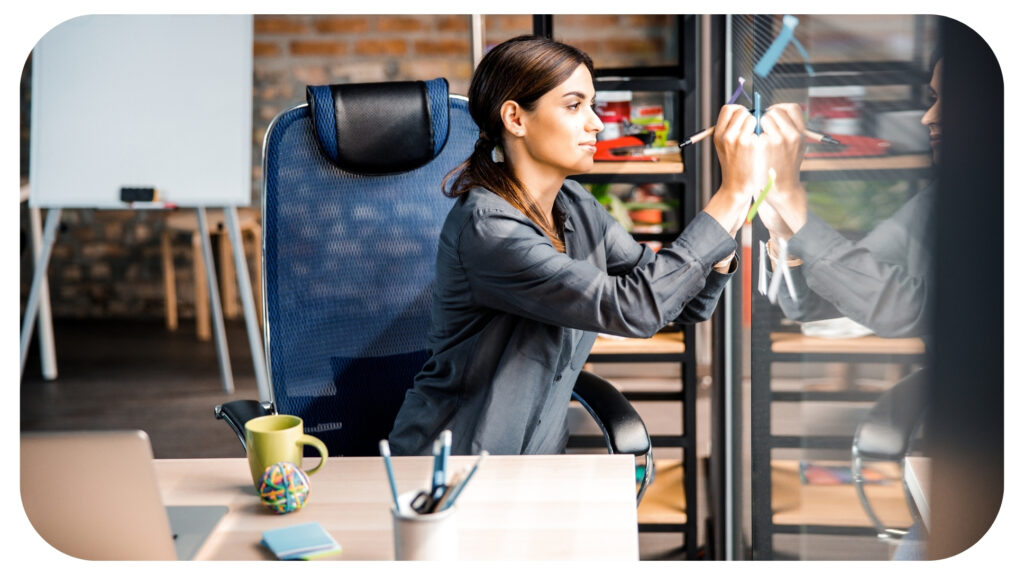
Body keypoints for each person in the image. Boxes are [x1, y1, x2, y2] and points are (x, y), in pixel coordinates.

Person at [388, 35, 788, 456]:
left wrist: (723, 240)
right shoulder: (490, 230)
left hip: (536, 466)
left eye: (592, 105)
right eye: (574, 106)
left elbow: (682, 304)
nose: (596, 123)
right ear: (515, 118)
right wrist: (731, 193)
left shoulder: (574, 205)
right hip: (455, 468)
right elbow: (636, 309)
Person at [754, 55, 941, 338]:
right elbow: (808, 304)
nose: (928, 117)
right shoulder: (934, 202)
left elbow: (909, 310)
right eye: (934, 99)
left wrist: (791, 203)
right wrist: (783, 236)